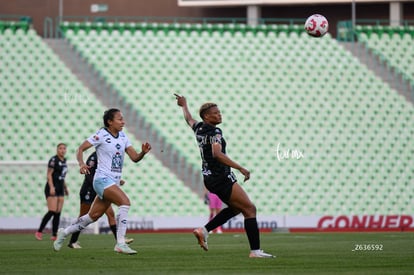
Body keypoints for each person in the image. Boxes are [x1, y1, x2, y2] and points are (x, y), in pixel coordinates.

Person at [175, 94, 275, 258]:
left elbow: (189, 119)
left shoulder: (199, 128)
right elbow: (217, 154)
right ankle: (255, 251)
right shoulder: (215, 131)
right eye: (215, 113)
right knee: (250, 209)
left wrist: (184, 105)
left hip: (210, 178)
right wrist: (240, 168)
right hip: (221, 177)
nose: (219, 114)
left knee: (236, 208)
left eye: (219, 112)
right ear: (207, 116)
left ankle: (204, 231)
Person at [53, 108, 151, 255]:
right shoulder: (102, 135)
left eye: (123, 119)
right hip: (101, 180)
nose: (123, 121)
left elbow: (135, 158)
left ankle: (64, 232)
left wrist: (143, 152)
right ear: (109, 122)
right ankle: (120, 243)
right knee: (125, 202)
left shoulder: (123, 137)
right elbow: (81, 149)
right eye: (119, 119)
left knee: (92, 217)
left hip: (113, 182)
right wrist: (81, 164)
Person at [67, 151, 133, 249]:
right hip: (89, 190)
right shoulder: (94, 157)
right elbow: (88, 174)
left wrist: (117, 181)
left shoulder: (106, 156)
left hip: (101, 190)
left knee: (111, 214)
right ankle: (72, 241)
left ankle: (120, 240)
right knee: (83, 216)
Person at [35, 143, 69, 241]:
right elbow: (49, 174)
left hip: (60, 187)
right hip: (52, 187)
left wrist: (65, 188)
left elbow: (63, 176)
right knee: (52, 211)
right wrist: (51, 187)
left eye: (64, 148)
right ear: (57, 150)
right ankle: (39, 231)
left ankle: (54, 235)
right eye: (60, 148)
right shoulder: (54, 160)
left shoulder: (64, 161)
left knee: (58, 212)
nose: (62, 150)